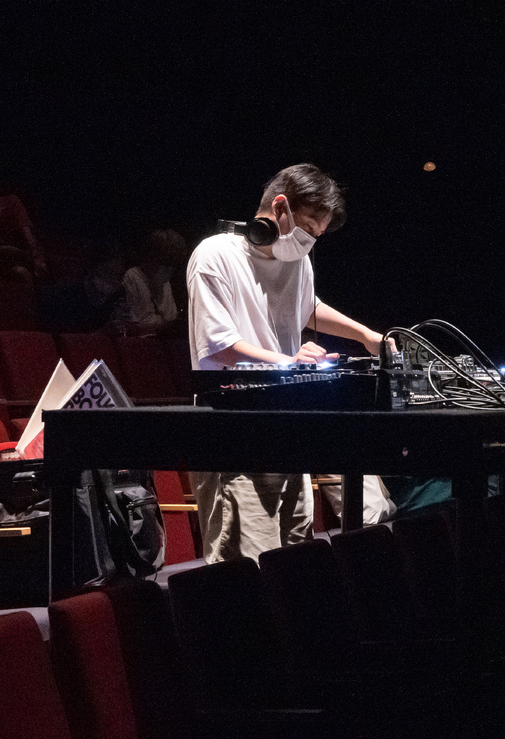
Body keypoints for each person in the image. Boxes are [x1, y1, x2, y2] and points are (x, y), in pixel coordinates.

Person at [183, 164, 386, 561]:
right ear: (280, 208)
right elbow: (219, 347)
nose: (310, 240)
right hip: (234, 429)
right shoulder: (214, 255)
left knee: (295, 559)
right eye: (308, 227)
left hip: (288, 423)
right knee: (247, 561)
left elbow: (307, 308)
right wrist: (290, 362)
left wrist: (366, 335)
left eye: (317, 234)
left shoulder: (297, 261)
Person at [114, 228, 185, 336]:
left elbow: (170, 316)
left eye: (173, 266)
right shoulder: (132, 277)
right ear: (151, 257)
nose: (169, 270)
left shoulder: (165, 282)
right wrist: (166, 326)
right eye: (165, 264)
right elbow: (135, 323)